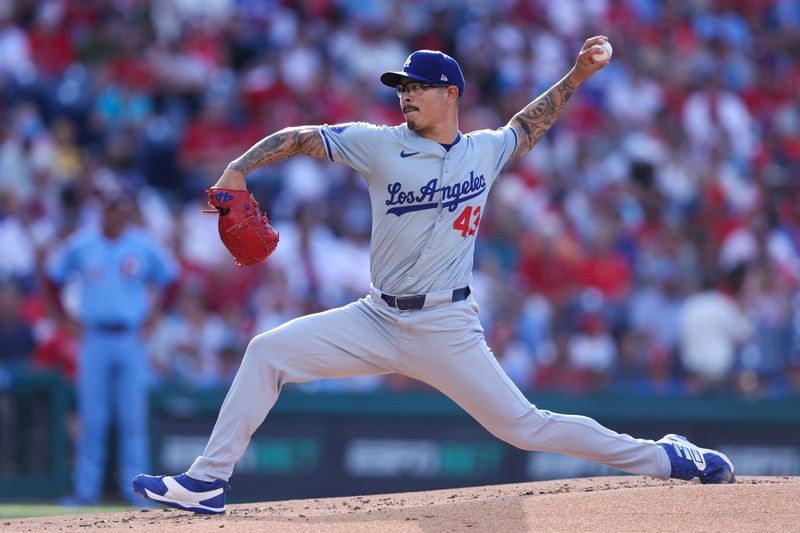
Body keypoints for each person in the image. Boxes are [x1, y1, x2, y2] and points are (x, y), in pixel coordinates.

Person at [133, 37, 735, 514]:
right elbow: (299, 137)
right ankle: (208, 482)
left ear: (451, 93)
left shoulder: (483, 150)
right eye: (401, 86)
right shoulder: (377, 144)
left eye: (418, 87)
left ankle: (663, 457)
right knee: (267, 352)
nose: (405, 95)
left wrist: (576, 77)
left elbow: (528, 126)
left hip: (447, 323)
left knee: (525, 428)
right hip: (376, 315)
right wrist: (237, 169)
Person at [46, 177, 178, 505]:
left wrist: (155, 316)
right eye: (108, 204)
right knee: (94, 418)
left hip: (131, 337)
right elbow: (51, 277)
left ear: (127, 208)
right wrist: (63, 319)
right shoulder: (82, 243)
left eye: (118, 205)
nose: (113, 211)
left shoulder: (143, 243)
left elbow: (172, 280)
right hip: (94, 337)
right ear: (100, 207)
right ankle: (86, 490)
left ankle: (137, 493)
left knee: (133, 418)